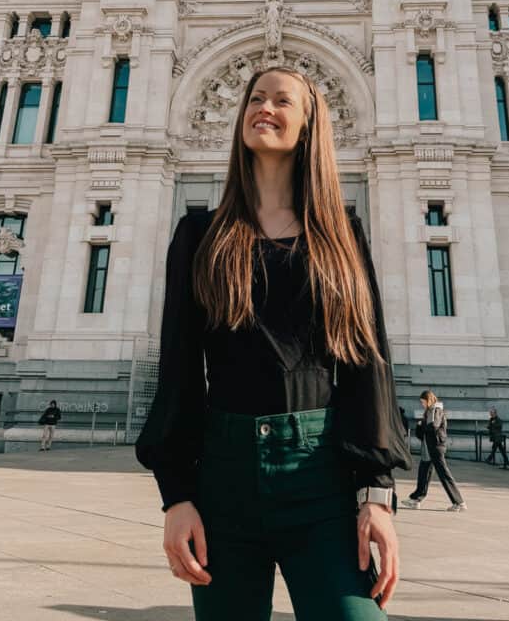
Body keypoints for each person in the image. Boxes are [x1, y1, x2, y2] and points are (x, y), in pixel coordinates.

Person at [136, 67, 411, 619]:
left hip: (320, 477)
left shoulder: (340, 237)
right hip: (224, 480)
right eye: (256, 98)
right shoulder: (199, 237)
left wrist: (376, 496)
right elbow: (181, 369)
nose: (264, 107)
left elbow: (366, 361)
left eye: (282, 101)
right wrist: (177, 495)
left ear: (309, 126)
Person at [402, 390, 466, 512]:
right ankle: (416, 499)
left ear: (429, 400)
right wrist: (421, 426)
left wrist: (422, 424)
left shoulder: (436, 410)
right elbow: (423, 433)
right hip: (428, 449)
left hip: (436, 448)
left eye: (423, 402)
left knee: (444, 474)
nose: (422, 404)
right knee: (423, 473)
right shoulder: (429, 411)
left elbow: (434, 426)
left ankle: (459, 502)